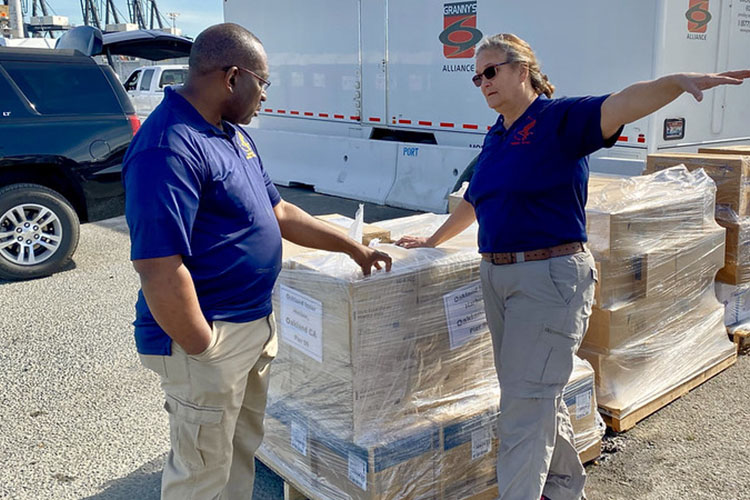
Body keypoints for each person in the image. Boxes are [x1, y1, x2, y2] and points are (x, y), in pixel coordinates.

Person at [397, 33, 749, 500]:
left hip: (549, 280)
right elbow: (476, 197)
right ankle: (563, 490)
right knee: (533, 395)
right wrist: (433, 238)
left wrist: (675, 82)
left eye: (491, 71)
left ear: (522, 69)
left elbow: (621, 104)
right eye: (477, 76)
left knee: (524, 406)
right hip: (498, 276)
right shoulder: (497, 133)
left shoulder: (558, 119)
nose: (482, 83)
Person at [122, 23, 391, 500]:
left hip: (250, 326)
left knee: (238, 451)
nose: (264, 96)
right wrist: (204, 348)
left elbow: (279, 212)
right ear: (232, 77)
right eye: (262, 83)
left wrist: (353, 246)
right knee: (200, 472)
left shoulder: (230, 136)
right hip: (209, 336)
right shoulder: (170, 145)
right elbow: (158, 268)